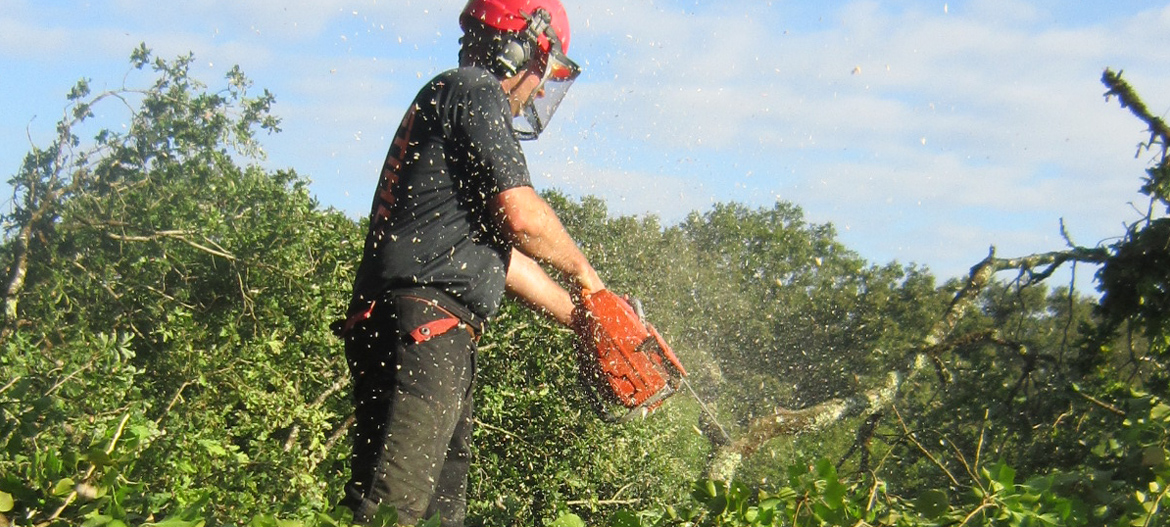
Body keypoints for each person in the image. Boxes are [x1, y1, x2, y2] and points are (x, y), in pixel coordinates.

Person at [335, 0, 603, 525]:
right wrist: (589, 279)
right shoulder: (474, 90)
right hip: (423, 329)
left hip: (432, 329)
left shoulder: (454, 104)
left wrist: (582, 317)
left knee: (439, 517)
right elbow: (524, 218)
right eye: (541, 71)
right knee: (391, 512)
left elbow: (501, 259)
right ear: (524, 49)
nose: (538, 88)